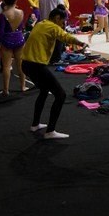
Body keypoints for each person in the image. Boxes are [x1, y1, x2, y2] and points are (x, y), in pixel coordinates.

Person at [21, 7, 89, 139]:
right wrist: (81, 43)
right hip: (36, 66)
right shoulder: (53, 27)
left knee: (44, 90)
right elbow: (65, 36)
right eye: (63, 21)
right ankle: (50, 131)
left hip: (26, 65)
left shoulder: (40, 23)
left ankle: (35, 124)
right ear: (57, 18)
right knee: (61, 95)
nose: (63, 25)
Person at [0, 0, 27, 96]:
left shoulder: (3, 15)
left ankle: (6, 90)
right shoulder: (21, 12)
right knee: (20, 64)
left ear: (4, 2)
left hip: (7, 40)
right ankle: (23, 86)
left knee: (6, 66)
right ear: (15, 1)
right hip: (19, 39)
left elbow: (1, 31)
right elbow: (21, 27)